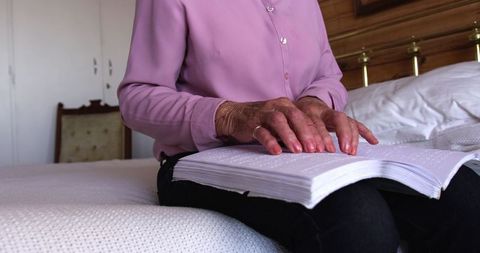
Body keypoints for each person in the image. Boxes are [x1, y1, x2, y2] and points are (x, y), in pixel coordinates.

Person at [118, 0, 480, 252]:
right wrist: (231, 115)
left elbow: (329, 76)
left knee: (464, 193)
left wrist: (314, 103)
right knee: (359, 217)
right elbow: (137, 97)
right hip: (203, 159)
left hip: (306, 154)